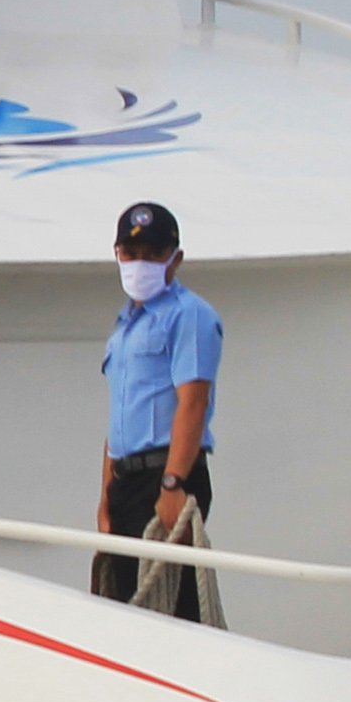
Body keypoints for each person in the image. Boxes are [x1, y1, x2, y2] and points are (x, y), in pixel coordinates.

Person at [94, 199, 223, 608]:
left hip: (167, 477)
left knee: (172, 604)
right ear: (117, 255)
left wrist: (173, 485)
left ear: (176, 259)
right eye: (131, 254)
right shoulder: (125, 327)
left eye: (153, 255)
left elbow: (193, 403)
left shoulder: (189, 315)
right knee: (123, 600)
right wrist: (105, 499)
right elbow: (120, 420)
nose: (140, 264)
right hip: (125, 484)